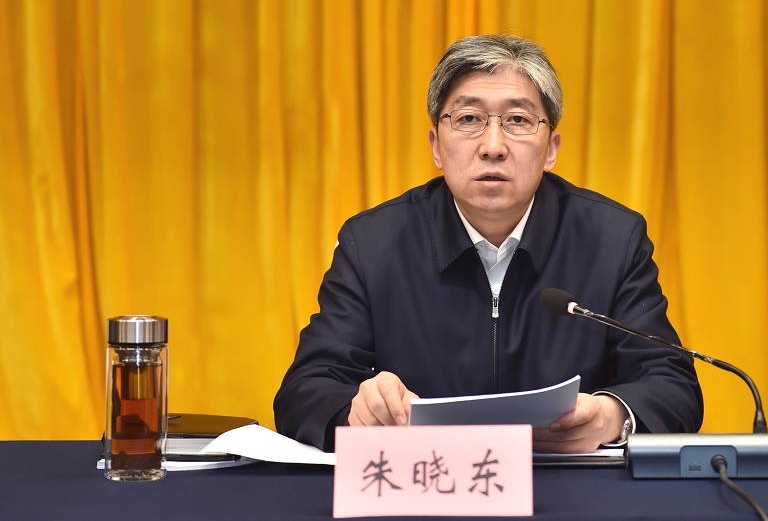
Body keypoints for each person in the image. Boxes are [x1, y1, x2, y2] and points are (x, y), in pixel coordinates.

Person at [274, 34, 703, 453]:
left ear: (551, 149)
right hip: (425, 484)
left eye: (517, 120)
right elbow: (306, 389)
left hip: (566, 486)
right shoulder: (373, 244)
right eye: (468, 119)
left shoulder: (612, 240)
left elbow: (671, 382)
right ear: (436, 146)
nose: (493, 146)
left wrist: (612, 416)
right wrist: (355, 411)